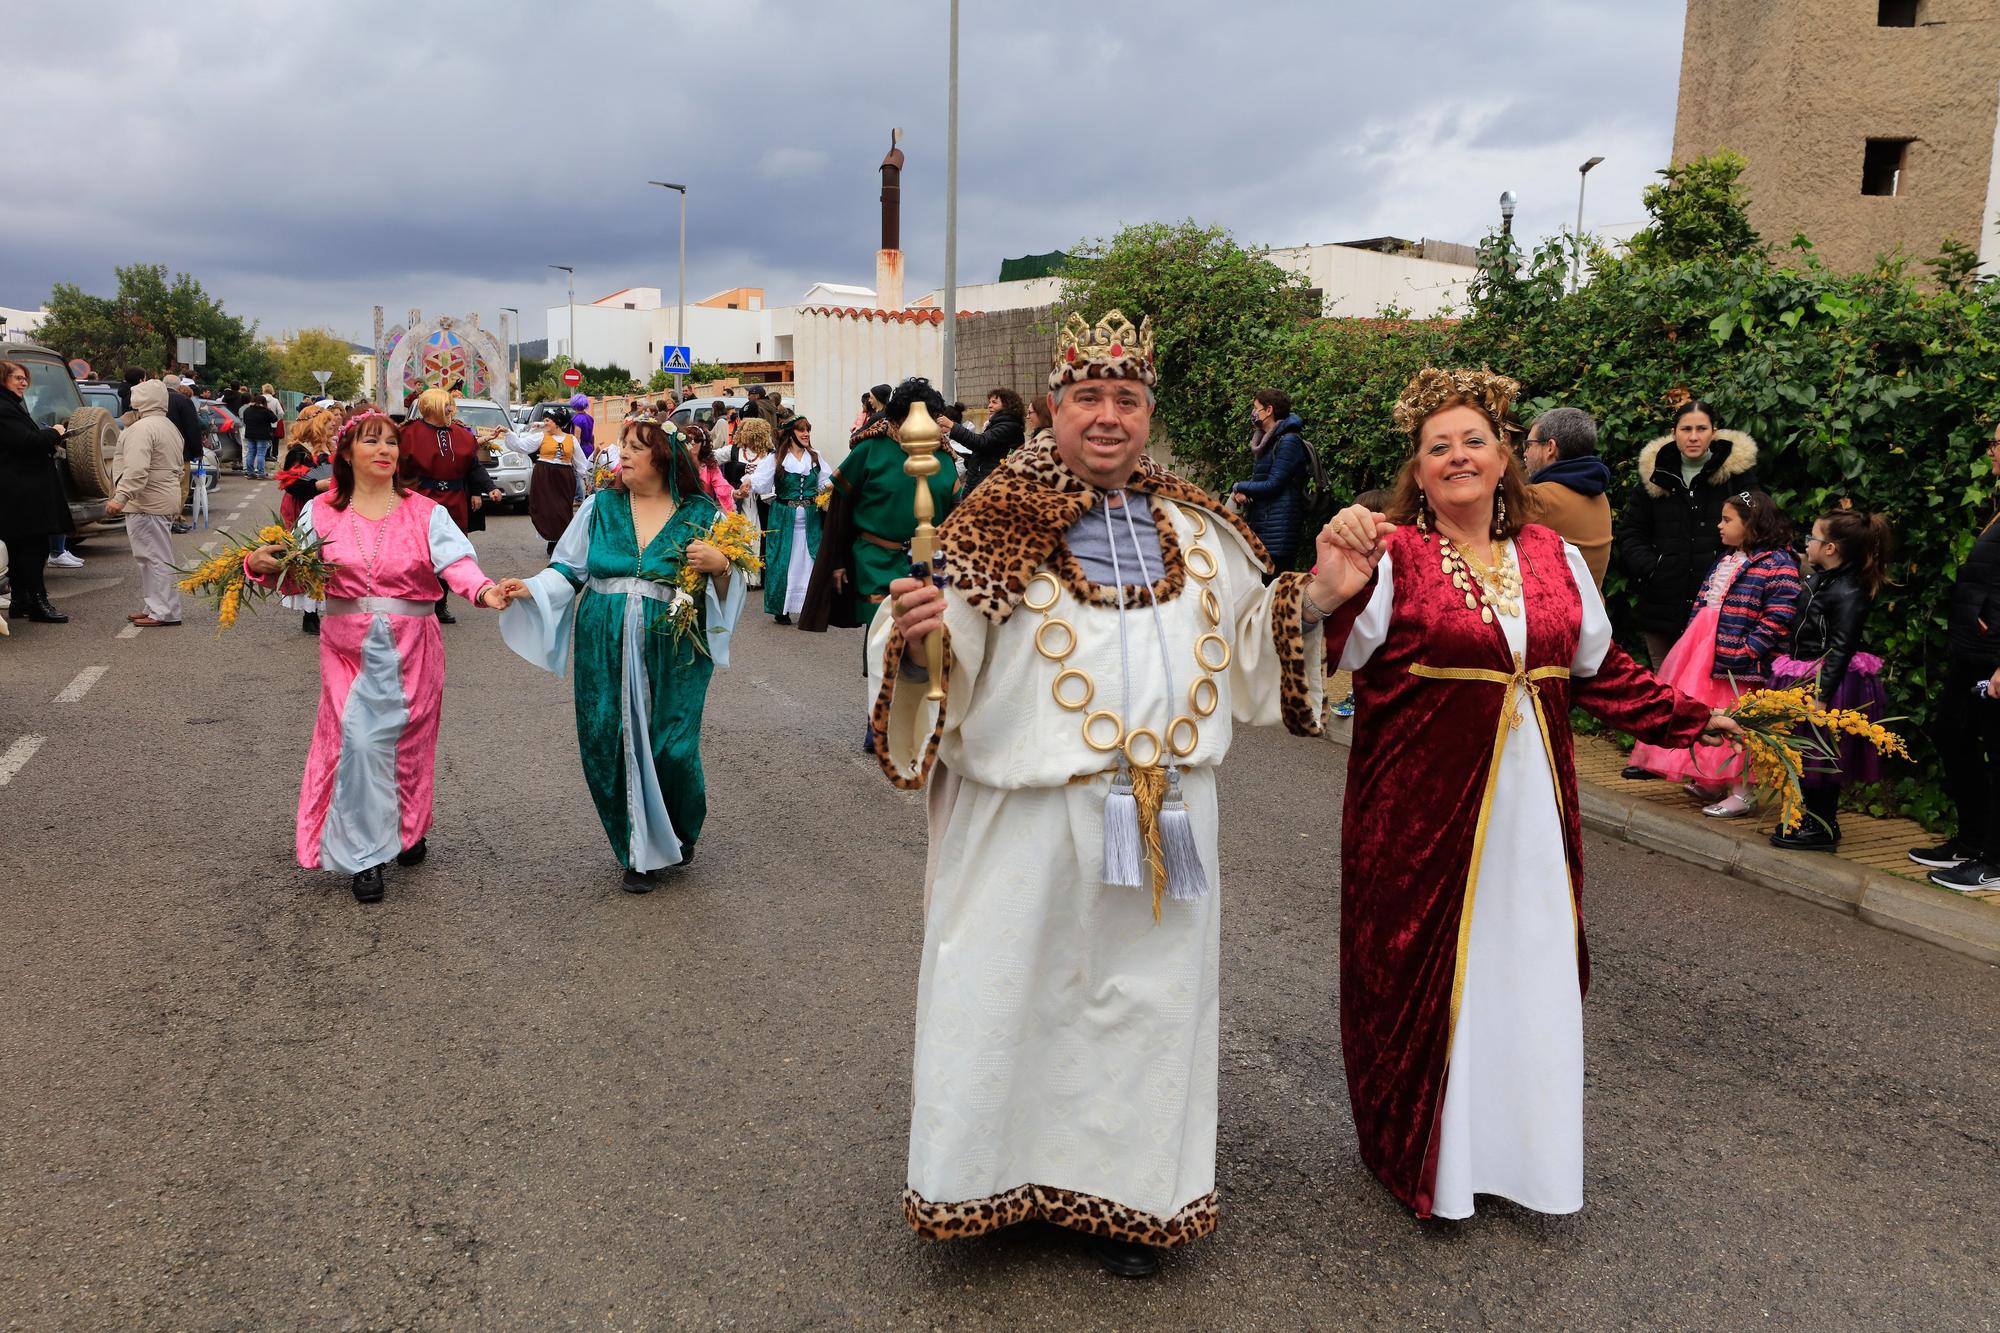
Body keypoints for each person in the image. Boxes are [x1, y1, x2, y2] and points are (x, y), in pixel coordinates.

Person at [873, 311, 1335, 1278]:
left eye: (1127, 398)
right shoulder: (991, 522)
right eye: (1089, 397)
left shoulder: (1202, 530)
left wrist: (1320, 595)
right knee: (1006, 992)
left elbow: (1253, 651)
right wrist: (917, 638)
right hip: (1025, 818)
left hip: (1165, 809)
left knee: (1145, 1007)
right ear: (1055, 408)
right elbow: (932, 669)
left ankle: (1129, 1202)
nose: (1109, 415)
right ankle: (993, 1185)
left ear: (1148, 411)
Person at [1316, 366, 1737, 1222]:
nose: (1459, 456)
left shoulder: (1550, 556)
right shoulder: (1392, 554)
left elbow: (1600, 670)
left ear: (1507, 455)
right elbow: (1322, 653)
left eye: (1475, 440)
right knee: (1424, 978)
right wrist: (1326, 582)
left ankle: (1521, 1154)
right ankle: (1427, 1158)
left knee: (1527, 969)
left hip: (1533, 815)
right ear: (1419, 469)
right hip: (1419, 819)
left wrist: (1698, 720)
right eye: (1439, 447)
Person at [245, 411, 509, 903]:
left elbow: (457, 563)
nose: (385, 450)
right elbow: (303, 577)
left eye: (391, 442)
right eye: (372, 442)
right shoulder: (321, 511)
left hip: (415, 644)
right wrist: (261, 566)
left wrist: (485, 592)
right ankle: (366, 854)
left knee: (408, 746)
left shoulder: (425, 512)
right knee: (359, 743)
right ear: (346, 452)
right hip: (346, 645)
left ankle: (409, 828)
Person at [495, 420, 745, 892]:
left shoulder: (701, 514)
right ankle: (637, 851)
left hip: (673, 646)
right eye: (622, 447)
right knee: (609, 741)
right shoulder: (599, 507)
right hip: (602, 640)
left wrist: (723, 566)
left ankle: (679, 828)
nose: (622, 454)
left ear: (664, 459)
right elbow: (568, 568)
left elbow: (728, 590)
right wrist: (529, 588)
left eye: (635, 448)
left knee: (673, 747)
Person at [1627, 490, 1800, 815]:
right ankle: (1710, 777)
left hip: (1740, 659)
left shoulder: (1777, 564)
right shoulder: (1728, 557)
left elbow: (1779, 614)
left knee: (1737, 718)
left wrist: (1751, 649)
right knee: (1704, 709)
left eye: (1727, 520)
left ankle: (1742, 789)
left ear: (1751, 524)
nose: (1719, 526)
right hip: (1705, 648)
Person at [1768, 507, 1894, 852]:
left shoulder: (1849, 593)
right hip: (1804, 673)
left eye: (1813, 537)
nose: (1806, 543)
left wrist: (1822, 695)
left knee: (1823, 756)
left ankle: (1822, 825)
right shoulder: (1821, 579)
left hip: (1828, 683)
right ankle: (1810, 817)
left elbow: (1840, 647)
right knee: (1805, 752)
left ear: (1830, 548)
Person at [1913, 422, 2000, 891]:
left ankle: (1995, 860)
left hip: (1995, 659)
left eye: (1997, 444)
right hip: (1974, 651)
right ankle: (1971, 842)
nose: (1991, 451)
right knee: (1952, 734)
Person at [798, 377, 958, 633]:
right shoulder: (871, 450)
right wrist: (838, 561)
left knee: (927, 636)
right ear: (898, 415)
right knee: (884, 633)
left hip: (930, 562)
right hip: (877, 560)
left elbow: (956, 516)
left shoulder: (943, 457)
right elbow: (840, 511)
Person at [1613, 399, 1761, 669]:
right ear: (1674, 433)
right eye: (1686, 429)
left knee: (1710, 688)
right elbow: (1631, 532)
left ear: (1713, 432)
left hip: (1721, 607)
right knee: (1668, 688)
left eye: (1701, 429)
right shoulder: (1655, 477)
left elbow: (1760, 524)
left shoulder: (1738, 477)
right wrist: (1653, 568)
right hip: (1663, 604)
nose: (1693, 436)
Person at [397, 388, 501, 624]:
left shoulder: (461, 434)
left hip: (454, 500)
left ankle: (440, 603)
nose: (450, 410)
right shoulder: (408, 433)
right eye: (446, 405)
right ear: (432, 406)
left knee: (450, 551)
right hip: (422, 498)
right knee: (421, 552)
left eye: (450, 405)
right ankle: (417, 598)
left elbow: (473, 467)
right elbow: (397, 469)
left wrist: (488, 487)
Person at [102, 380, 185, 627]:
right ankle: (154, 606)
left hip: (146, 502)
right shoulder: (167, 425)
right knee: (151, 557)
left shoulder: (142, 428)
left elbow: (137, 469)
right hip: (159, 498)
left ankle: (165, 611)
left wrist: (121, 497)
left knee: (154, 557)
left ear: (139, 400)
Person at [0, 359, 76, 624]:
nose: (24, 383)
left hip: (20, 490)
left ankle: (21, 600)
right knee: (34, 548)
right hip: (23, 492)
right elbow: (26, 443)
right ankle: (37, 602)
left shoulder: (11, 405)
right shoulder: (4, 408)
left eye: (25, 379)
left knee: (21, 547)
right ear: (3, 379)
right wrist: (54, 433)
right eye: (18, 378)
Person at [1521, 406, 1613, 588]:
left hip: (1556, 612)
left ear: (1550, 447)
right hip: (1592, 611)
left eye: (1529, 444)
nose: (1524, 453)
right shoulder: (1599, 493)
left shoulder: (1540, 498)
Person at [750, 416, 829, 624]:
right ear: (790, 433)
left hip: (810, 519)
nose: (806, 434)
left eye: (808, 430)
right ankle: (781, 608)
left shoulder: (815, 457)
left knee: (809, 559)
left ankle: (808, 606)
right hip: (783, 516)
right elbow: (760, 483)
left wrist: (833, 487)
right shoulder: (777, 458)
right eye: (801, 430)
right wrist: (745, 485)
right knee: (783, 560)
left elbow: (826, 482)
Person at [1228, 389, 1312, 576]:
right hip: (1266, 525)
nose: (1253, 413)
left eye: (1256, 408)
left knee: (1274, 587)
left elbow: (1273, 485)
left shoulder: (1288, 441)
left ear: (1269, 410)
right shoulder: (1269, 441)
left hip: (1279, 529)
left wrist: (1239, 486)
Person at [939, 387, 1025, 494]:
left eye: (994, 402)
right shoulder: (997, 424)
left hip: (993, 488)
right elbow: (986, 451)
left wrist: (952, 426)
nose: (989, 406)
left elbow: (980, 442)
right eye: (989, 402)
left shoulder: (1009, 426)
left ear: (1007, 405)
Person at [528, 407, 588, 554]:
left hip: (564, 478)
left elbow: (580, 462)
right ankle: (552, 540)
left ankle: (560, 541)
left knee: (562, 509)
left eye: (548, 420)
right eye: (545, 420)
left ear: (557, 422)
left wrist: (586, 478)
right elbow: (522, 445)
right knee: (547, 509)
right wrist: (510, 433)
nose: (545, 423)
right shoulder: (541, 436)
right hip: (544, 477)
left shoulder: (571, 439)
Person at [687, 424, 737, 514]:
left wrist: (733, 492)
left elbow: (720, 484)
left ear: (703, 443)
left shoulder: (709, 465)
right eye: (689, 440)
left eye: (697, 440)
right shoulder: (678, 464)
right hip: (682, 512)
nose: (693, 443)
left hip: (704, 512)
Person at [240, 392, 278, 479]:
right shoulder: (265, 411)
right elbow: (274, 419)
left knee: (251, 453)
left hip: (250, 434)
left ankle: (250, 472)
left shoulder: (247, 410)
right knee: (261, 454)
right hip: (262, 435)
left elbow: (245, 421)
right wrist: (268, 409)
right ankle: (261, 473)